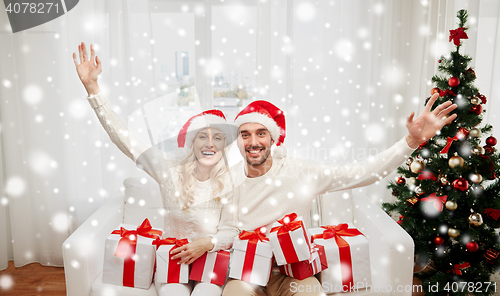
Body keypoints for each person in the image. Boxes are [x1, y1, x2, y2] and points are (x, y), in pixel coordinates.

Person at [223, 96, 457, 296]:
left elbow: (362, 172)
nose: (253, 142)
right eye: (245, 135)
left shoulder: (300, 172)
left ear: (272, 138)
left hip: (293, 274)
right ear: (238, 141)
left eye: (261, 133)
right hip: (248, 273)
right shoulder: (229, 180)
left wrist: (411, 142)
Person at [73, 42, 238, 296]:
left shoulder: (231, 179)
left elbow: (231, 229)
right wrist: (93, 89)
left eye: (217, 137)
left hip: (212, 259)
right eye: (202, 137)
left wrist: (208, 243)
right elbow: (124, 139)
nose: (210, 143)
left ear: (224, 145)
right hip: (172, 258)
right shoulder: (169, 169)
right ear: (191, 143)